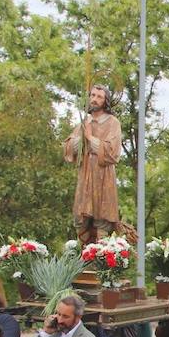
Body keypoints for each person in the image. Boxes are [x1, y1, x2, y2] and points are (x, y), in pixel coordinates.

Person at [63, 83, 124, 245]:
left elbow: (112, 152)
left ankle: (100, 259)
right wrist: (81, 138)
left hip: (103, 176)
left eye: (99, 97)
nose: (95, 100)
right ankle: (83, 258)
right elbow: (69, 149)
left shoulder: (112, 123)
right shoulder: (84, 123)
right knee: (80, 217)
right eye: (92, 95)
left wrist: (90, 139)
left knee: (102, 217)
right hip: (85, 176)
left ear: (106, 101)